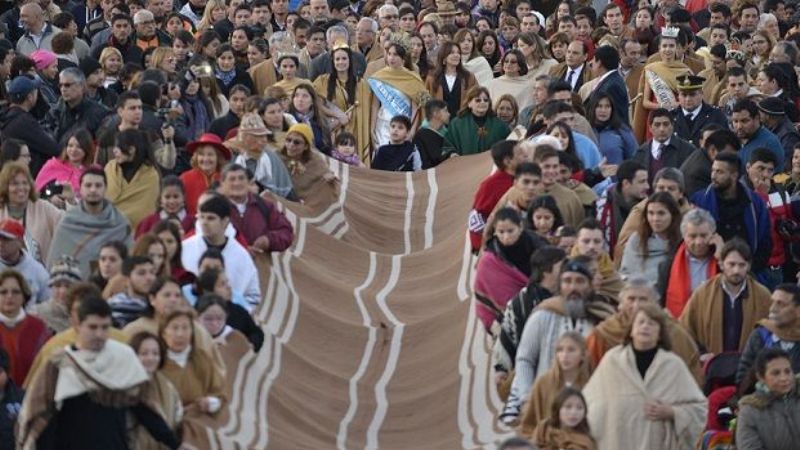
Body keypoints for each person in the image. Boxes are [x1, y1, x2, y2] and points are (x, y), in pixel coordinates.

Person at [17, 296, 187, 449]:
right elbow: (41, 416)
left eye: (105, 327)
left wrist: (175, 443)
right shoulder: (59, 364)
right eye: (92, 327)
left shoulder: (123, 357)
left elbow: (145, 409)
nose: (99, 334)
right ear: (77, 325)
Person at [501, 258, 615, 423]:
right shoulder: (542, 315)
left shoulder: (603, 318)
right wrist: (527, 397)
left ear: (590, 286)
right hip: (546, 404)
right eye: (567, 281)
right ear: (560, 286)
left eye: (579, 281)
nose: (573, 287)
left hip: (591, 407)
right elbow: (525, 359)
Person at [582, 303, 707, 450]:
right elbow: (591, 402)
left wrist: (672, 412)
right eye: (640, 322)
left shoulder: (673, 365)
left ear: (660, 333)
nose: (645, 327)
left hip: (657, 442)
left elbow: (699, 409)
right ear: (631, 330)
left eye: (652, 323)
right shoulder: (612, 360)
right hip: (617, 440)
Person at [587, 277, 703, 383]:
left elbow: (690, 376)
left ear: (655, 304)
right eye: (631, 299)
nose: (636, 305)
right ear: (620, 304)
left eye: (643, 299)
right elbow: (588, 372)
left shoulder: (674, 333)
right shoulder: (603, 334)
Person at [680, 239, 772, 359]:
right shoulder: (703, 293)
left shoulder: (763, 296)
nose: (736, 271)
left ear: (749, 266)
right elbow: (685, 329)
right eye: (731, 264)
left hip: (749, 369)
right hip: (711, 368)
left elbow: (772, 334)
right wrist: (700, 354)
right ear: (721, 264)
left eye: (741, 265)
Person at [691, 152, 772, 276]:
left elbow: (765, 242)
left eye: (720, 172)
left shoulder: (755, 203)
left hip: (746, 274)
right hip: (709, 274)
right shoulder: (700, 200)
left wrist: (750, 269)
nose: (713, 176)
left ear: (734, 175)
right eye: (713, 170)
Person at [493, 246, 566, 382]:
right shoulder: (520, 303)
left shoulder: (570, 295)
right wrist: (501, 369)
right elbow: (507, 335)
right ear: (546, 271)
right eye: (562, 266)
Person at [48, 166, 132, 277]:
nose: (93, 189)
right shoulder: (68, 222)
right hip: (74, 288)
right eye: (88, 185)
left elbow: (129, 263)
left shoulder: (120, 223)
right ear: (81, 189)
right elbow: (55, 263)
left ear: (105, 188)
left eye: (98, 185)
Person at [181, 194, 260, 306]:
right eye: (202, 217)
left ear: (225, 221)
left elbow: (253, 296)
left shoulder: (241, 255)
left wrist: (237, 312)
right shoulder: (185, 248)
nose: (204, 222)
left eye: (211, 218)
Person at [473, 207, 541, 332]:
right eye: (501, 232)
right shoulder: (489, 261)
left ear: (520, 227)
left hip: (542, 315)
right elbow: (482, 296)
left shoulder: (537, 245)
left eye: (510, 231)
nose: (506, 236)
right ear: (495, 232)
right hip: (507, 325)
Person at [518, 332, 592, 436]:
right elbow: (528, 424)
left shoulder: (590, 383)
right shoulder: (544, 383)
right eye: (560, 350)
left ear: (583, 355)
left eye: (571, 350)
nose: (564, 355)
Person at [158, 308, 226, 414]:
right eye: (175, 328)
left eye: (185, 328)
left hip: (199, 420)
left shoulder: (202, 358)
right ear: (164, 333)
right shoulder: (157, 363)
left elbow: (219, 394)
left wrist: (210, 403)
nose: (180, 334)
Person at [631, 27, 691, 143]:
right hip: (656, 119)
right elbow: (645, 102)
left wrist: (676, 105)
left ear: (677, 48)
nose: (667, 49)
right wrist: (664, 106)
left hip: (677, 118)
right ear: (659, 48)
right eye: (664, 46)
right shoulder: (652, 69)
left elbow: (690, 99)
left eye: (671, 46)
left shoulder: (685, 71)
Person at [218, 163, 294, 253]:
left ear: (248, 182)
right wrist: (240, 249)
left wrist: (268, 240)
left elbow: (286, 231)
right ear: (222, 184)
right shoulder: (214, 208)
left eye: (241, 178)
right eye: (232, 179)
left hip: (261, 265)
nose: (237, 183)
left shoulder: (265, 205)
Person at [659, 208, 721, 317]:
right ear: (684, 236)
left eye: (703, 235)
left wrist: (723, 256)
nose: (698, 242)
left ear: (713, 235)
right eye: (692, 236)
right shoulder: (668, 265)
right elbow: (660, 303)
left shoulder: (723, 261)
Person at [367, 41, 429, 149]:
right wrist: (372, 128)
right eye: (389, 54)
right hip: (383, 125)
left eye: (395, 55)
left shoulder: (412, 78)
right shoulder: (379, 76)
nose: (391, 58)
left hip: (403, 126)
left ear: (403, 58)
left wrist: (412, 130)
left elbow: (416, 108)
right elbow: (375, 105)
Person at [736, 347, 800, 450]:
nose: (784, 378)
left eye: (788, 371)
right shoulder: (750, 411)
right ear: (761, 377)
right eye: (776, 373)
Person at [129, 331, 184, 450]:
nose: (150, 358)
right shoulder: (124, 387)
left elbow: (178, 418)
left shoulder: (168, 387)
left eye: (155, 353)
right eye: (144, 353)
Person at [0, 162, 63, 264]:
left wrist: (71, 202)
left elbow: (67, 225)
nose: (21, 188)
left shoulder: (43, 207)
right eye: (15, 184)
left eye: (25, 183)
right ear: (5, 187)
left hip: (42, 275)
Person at [736, 284, 800, 384]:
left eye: (781, 304)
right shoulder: (760, 334)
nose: (772, 309)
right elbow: (742, 377)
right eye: (772, 303)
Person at [468, 141, 524, 251]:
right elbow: (477, 217)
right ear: (508, 161)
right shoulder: (490, 185)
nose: (525, 155)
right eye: (520, 153)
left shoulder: (522, 176)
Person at [0, 76, 60, 177]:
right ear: (30, 97)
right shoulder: (23, 122)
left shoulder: (7, 116)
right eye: (35, 91)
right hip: (29, 176)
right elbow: (53, 148)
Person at [0, 269, 50, 386]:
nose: (10, 296)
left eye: (16, 292)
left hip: (31, 397)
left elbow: (46, 367)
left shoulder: (38, 328)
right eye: (3, 292)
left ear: (24, 296)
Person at [104, 128, 161, 230]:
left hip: (139, 235)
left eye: (118, 147)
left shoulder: (151, 175)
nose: (114, 150)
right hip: (107, 231)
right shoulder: (109, 168)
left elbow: (146, 210)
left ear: (131, 149)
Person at [619, 192, 682, 281]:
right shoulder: (636, 240)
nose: (655, 219)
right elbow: (625, 273)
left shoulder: (681, 243)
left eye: (661, 213)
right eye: (651, 213)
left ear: (673, 215)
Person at [231, 112, 295, 200]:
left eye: (264, 136)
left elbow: (287, 191)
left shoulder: (271, 157)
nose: (263, 140)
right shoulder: (234, 157)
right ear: (245, 138)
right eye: (257, 136)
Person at [631, 108, 697, 184]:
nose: (662, 129)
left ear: (672, 126)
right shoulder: (641, 152)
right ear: (650, 128)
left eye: (666, 124)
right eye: (657, 125)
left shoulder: (688, 150)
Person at [44, 67, 110, 142]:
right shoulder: (54, 113)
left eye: (67, 85)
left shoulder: (100, 112)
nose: (63, 89)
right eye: (60, 85)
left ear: (81, 86)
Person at [597, 160, 649, 253]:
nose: (647, 186)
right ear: (626, 183)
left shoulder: (649, 207)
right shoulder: (603, 206)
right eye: (642, 182)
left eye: (646, 181)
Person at [277, 122, 337, 200]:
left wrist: (329, 177)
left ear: (306, 146)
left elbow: (327, 173)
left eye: (297, 142)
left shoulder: (314, 158)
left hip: (308, 198)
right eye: (288, 140)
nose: (291, 145)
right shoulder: (277, 156)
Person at [34, 128, 94, 203]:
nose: (73, 150)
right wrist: (50, 197)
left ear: (86, 149)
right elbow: (37, 190)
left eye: (79, 147)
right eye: (70, 146)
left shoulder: (92, 172)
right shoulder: (52, 165)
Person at [180, 133, 232, 217]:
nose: (205, 159)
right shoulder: (185, 178)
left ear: (218, 158)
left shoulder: (227, 179)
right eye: (201, 154)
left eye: (210, 155)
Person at [0, 219, 50, 305]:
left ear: (19, 242)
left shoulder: (37, 270)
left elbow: (48, 302)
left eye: (6, 239)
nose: (1, 243)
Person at [534, 146, 585, 228]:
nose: (551, 171)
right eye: (546, 166)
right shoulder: (521, 194)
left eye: (555, 166)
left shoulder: (571, 198)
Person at [529, 387, 596, 450]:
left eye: (579, 408)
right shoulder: (544, 427)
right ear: (558, 409)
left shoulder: (585, 442)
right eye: (568, 407)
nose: (574, 413)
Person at [29, 256, 82, 334]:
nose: (63, 291)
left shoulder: (84, 317)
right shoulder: (36, 314)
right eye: (58, 285)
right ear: (51, 287)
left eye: (68, 286)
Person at [671, 74, 728, 147]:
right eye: (684, 95)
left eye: (692, 95)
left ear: (701, 94)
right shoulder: (671, 117)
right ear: (678, 96)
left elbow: (725, 143)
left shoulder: (716, 116)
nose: (688, 99)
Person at [680, 127, 740, 196]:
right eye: (727, 155)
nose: (732, 160)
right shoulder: (702, 171)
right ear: (713, 150)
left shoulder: (701, 155)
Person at [425, 41, 477, 118]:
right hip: (439, 122)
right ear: (444, 57)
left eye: (458, 53)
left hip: (461, 121)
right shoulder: (432, 78)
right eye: (452, 53)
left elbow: (476, 97)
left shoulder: (468, 77)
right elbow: (427, 102)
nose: (456, 55)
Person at [732, 98, 785, 172]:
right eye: (735, 121)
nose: (739, 126)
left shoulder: (770, 143)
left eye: (744, 121)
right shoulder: (732, 140)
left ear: (757, 119)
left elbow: (774, 177)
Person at [586, 92, 637, 165]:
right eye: (599, 106)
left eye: (607, 106)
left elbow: (635, 157)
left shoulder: (622, 130)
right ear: (593, 108)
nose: (603, 110)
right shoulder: (586, 129)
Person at [107, 256, 156, 328]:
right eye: (141, 273)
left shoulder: (159, 305)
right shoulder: (113, 307)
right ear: (126, 279)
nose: (149, 278)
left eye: (152, 272)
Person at [586, 45, 630, 125]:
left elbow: (615, 117)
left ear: (599, 63)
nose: (591, 63)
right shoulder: (611, 80)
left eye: (593, 59)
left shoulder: (612, 86)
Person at [413, 99, 454, 169]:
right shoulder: (421, 135)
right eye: (445, 111)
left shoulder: (447, 134)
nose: (449, 114)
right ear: (436, 114)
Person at [757, 96, 800, 162]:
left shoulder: (789, 135)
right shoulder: (768, 127)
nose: (758, 116)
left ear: (767, 116)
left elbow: (785, 161)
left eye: (760, 113)